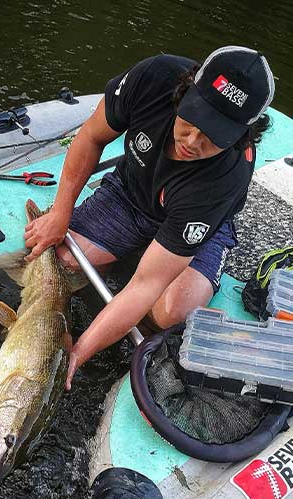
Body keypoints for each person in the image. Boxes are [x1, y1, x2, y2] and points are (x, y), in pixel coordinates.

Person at [23, 46, 275, 390]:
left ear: (241, 135)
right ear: (186, 90)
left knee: (171, 311)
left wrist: (77, 355)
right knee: (65, 261)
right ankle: (117, 263)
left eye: (213, 137)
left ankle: (152, 263)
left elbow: (146, 285)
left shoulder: (226, 177)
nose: (192, 141)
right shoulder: (154, 77)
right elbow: (91, 136)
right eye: (192, 119)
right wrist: (61, 213)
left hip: (196, 220)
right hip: (131, 193)